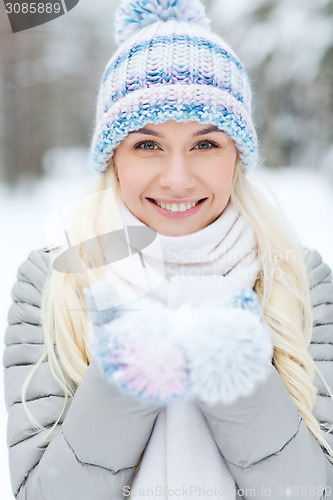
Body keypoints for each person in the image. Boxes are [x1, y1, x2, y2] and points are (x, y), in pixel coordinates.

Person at [3, 0, 333, 499]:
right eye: (147, 145)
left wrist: (240, 386)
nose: (177, 180)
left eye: (205, 145)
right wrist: (124, 380)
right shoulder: (54, 280)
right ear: (112, 157)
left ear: (237, 156)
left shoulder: (299, 280)